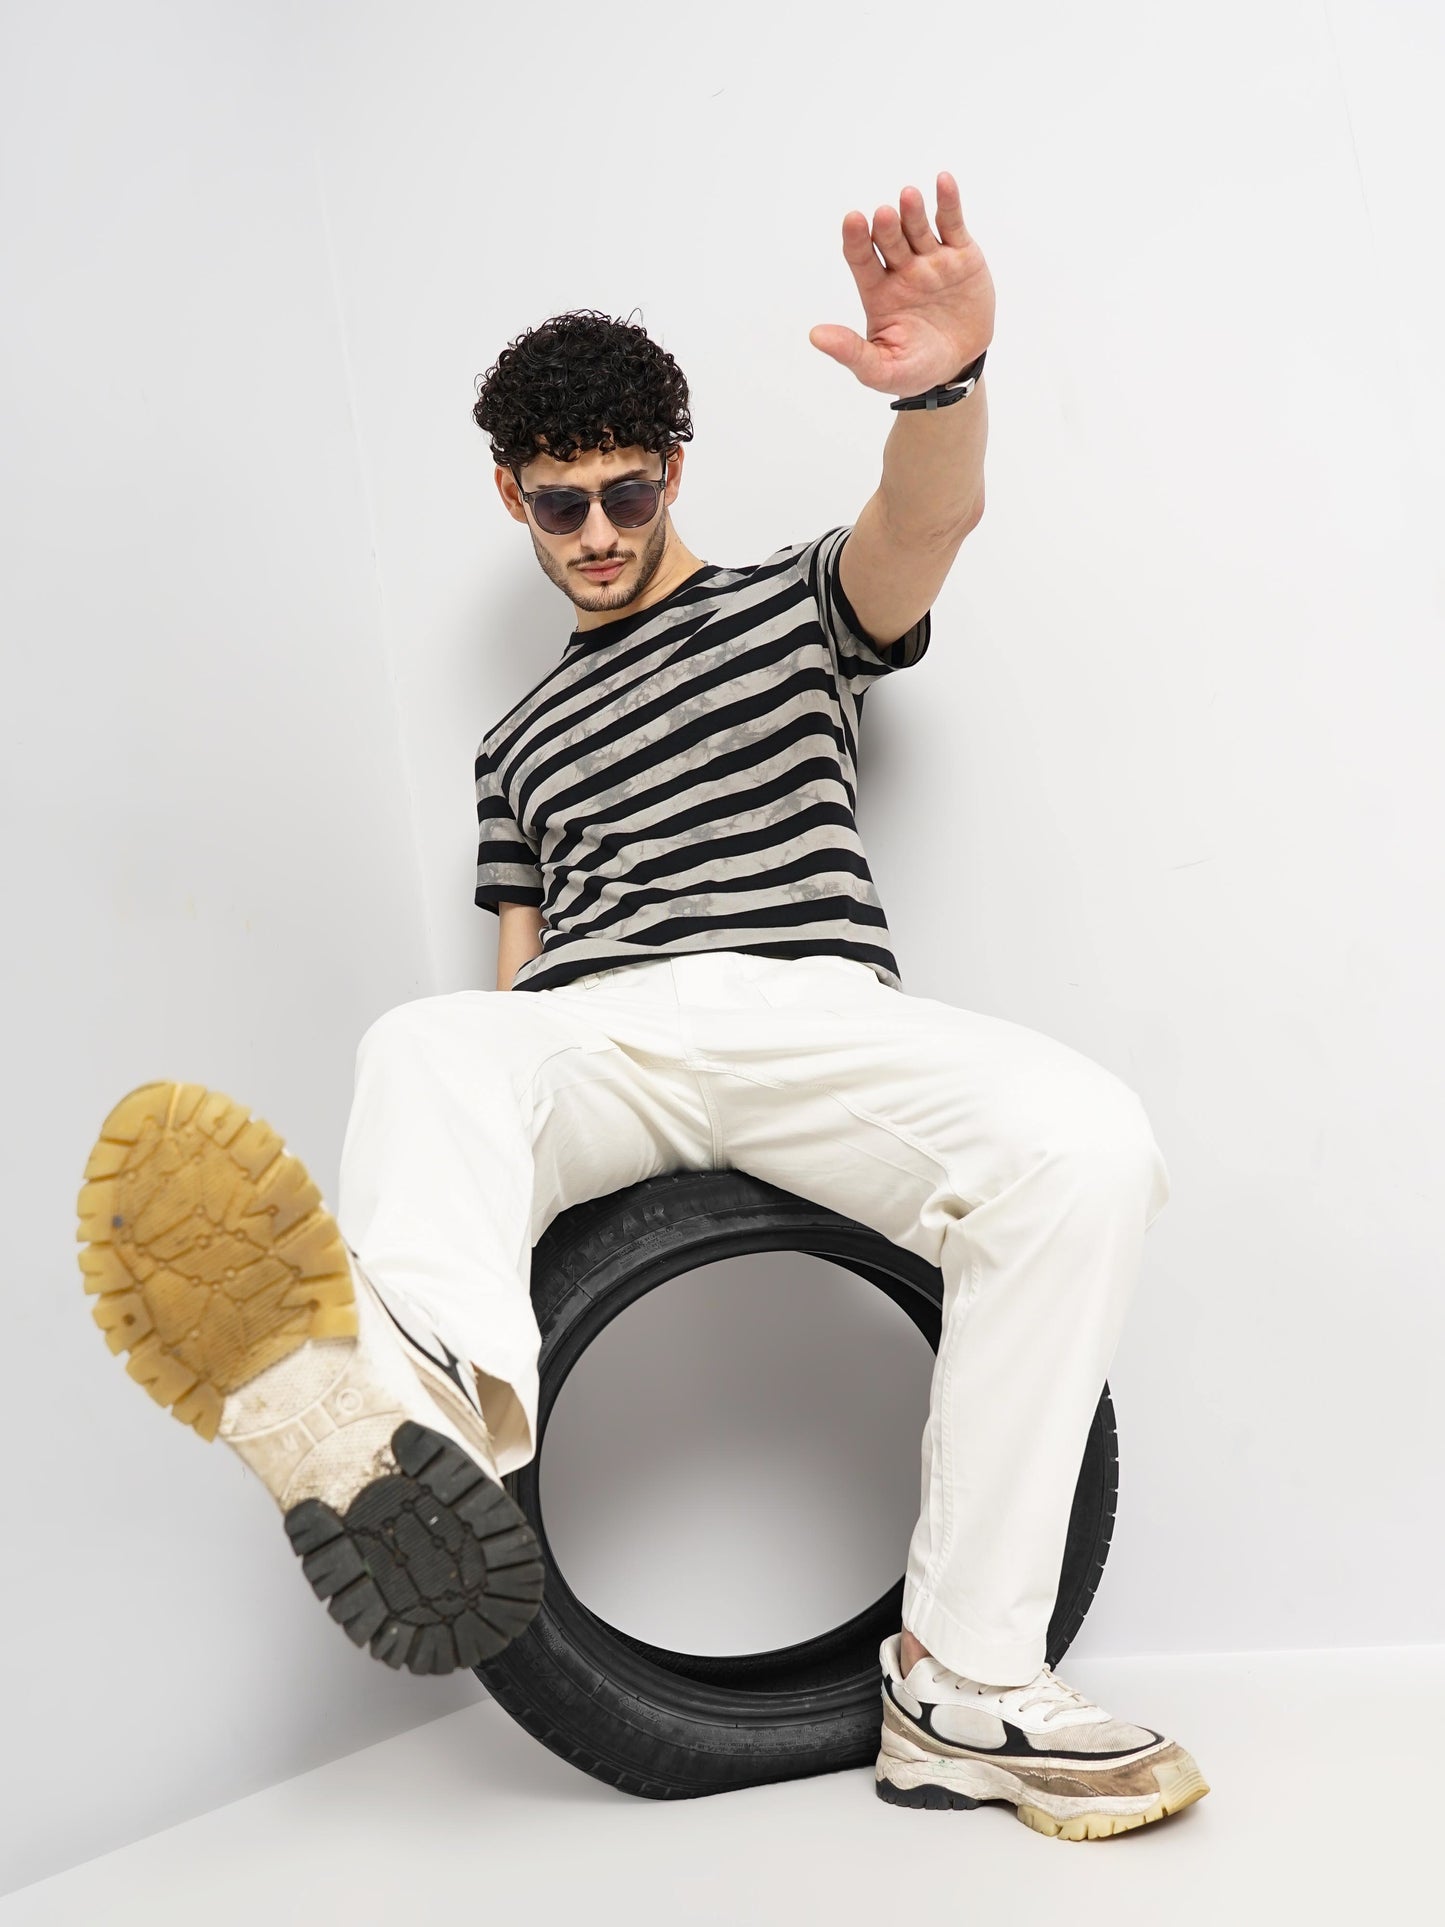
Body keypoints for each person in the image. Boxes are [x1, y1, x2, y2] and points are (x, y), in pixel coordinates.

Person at [76, 180, 1208, 1838]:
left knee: (1087, 1141)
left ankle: (967, 1683)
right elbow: (515, 977)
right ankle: (398, 1444)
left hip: (808, 1013)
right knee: (429, 1042)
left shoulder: (786, 605)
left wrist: (941, 390)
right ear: (511, 498)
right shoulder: (512, 742)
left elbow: (921, 531)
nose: (598, 531)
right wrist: (508, 1143)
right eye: (560, 505)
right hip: (599, 1031)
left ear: (673, 467)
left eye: (626, 491)